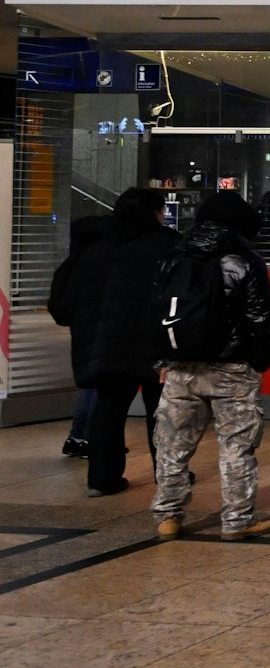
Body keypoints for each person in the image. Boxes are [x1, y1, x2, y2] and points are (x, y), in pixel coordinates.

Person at [152, 191, 270, 540]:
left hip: (181, 367)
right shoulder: (246, 261)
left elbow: (155, 311)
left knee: (172, 445)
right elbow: (259, 318)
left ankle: (168, 516)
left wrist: (163, 359)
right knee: (237, 447)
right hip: (232, 368)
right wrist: (259, 361)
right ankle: (237, 521)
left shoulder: (172, 257)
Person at [48, 188, 179, 497]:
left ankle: (101, 477)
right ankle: (169, 475)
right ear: (155, 213)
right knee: (161, 409)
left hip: (105, 344)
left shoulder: (95, 247)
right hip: (154, 341)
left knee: (108, 408)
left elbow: (67, 301)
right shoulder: (168, 247)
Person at [49, 214, 110, 459]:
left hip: (81, 330)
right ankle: (89, 437)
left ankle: (78, 436)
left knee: (89, 385)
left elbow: (59, 305)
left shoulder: (70, 264)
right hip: (100, 329)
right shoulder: (100, 264)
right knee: (101, 385)